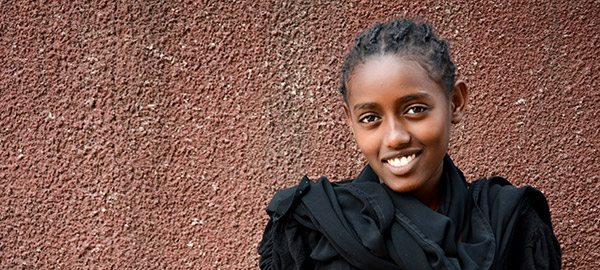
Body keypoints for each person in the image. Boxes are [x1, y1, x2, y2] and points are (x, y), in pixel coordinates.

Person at [258, 18, 561, 270]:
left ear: (455, 103)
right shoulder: (313, 228)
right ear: (350, 121)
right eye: (370, 118)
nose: (395, 137)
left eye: (415, 109)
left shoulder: (510, 225)